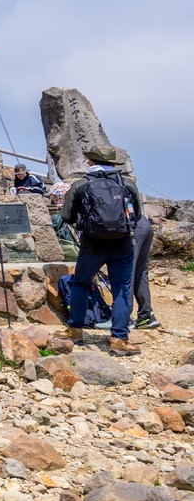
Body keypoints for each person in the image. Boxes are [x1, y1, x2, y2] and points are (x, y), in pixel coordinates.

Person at [58, 146, 142, 354]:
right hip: (122, 244)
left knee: (81, 283)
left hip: (91, 244)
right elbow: (136, 216)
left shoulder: (80, 185)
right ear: (114, 164)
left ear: (90, 162)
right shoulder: (127, 184)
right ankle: (119, 338)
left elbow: (67, 216)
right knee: (122, 287)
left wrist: (84, 221)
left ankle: (76, 330)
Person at [132, 211, 158, 330]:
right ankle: (146, 316)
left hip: (131, 227)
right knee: (140, 272)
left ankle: (122, 317)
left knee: (127, 272)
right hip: (144, 224)